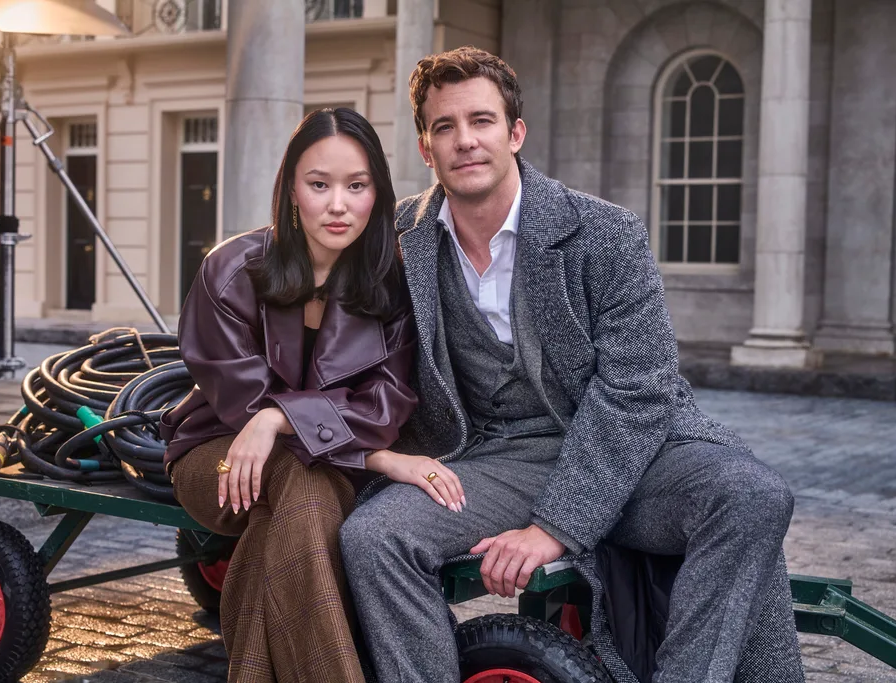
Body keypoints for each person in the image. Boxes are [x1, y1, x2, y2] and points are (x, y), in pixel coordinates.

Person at [339, 47, 805, 683]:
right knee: (374, 538)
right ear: (425, 147)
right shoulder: (397, 240)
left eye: (481, 121)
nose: (465, 140)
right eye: (444, 127)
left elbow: (639, 391)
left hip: (631, 451)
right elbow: (315, 280)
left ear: (515, 133)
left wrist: (554, 529)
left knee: (753, 495)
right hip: (498, 456)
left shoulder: (605, 233)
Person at [161, 107, 431, 683]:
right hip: (218, 456)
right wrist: (374, 456)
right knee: (304, 486)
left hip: (315, 468)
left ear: (377, 194)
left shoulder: (391, 285)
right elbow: (241, 406)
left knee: (294, 512)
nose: (338, 204)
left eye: (356, 186)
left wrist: (277, 420)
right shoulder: (230, 270)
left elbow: (387, 404)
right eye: (320, 185)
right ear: (291, 191)